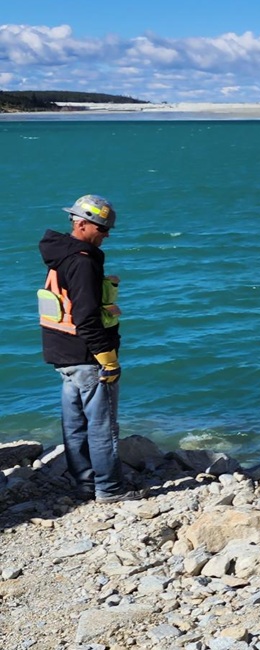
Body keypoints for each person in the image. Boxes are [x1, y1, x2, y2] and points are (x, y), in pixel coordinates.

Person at [39, 195, 142, 504]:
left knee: (74, 423)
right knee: (101, 424)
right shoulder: (83, 261)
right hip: (87, 355)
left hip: (62, 352)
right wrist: (107, 358)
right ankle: (109, 489)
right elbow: (85, 317)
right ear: (81, 224)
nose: (106, 235)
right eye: (102, 228)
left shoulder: (61, 254)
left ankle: (84, 485)